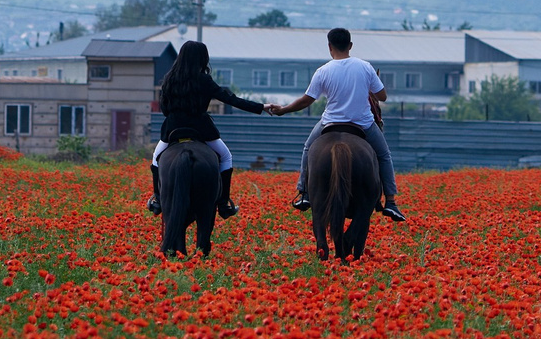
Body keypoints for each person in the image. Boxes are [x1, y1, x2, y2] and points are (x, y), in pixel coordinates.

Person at [266, 26, 405, 222]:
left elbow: (306, 101)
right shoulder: (365, 67)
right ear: (350, 45)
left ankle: (304, 192)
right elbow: (382, 96)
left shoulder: (323, 71)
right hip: (363, 124)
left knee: (308, 149)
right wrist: (367, 88)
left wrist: (283, 110)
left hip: (330, 123)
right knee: (384, 155)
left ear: (330, 46)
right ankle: (390, 202)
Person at [144, 39, 270, 218]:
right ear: (202, 59)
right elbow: (230, 99)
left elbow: (164, 109)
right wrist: (261, 107)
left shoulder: (170, 79)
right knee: (226, 156)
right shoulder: (204, 79)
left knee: (156, 159)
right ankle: (223, 203)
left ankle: (157, 199)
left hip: (173, 128)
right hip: (201, 128)